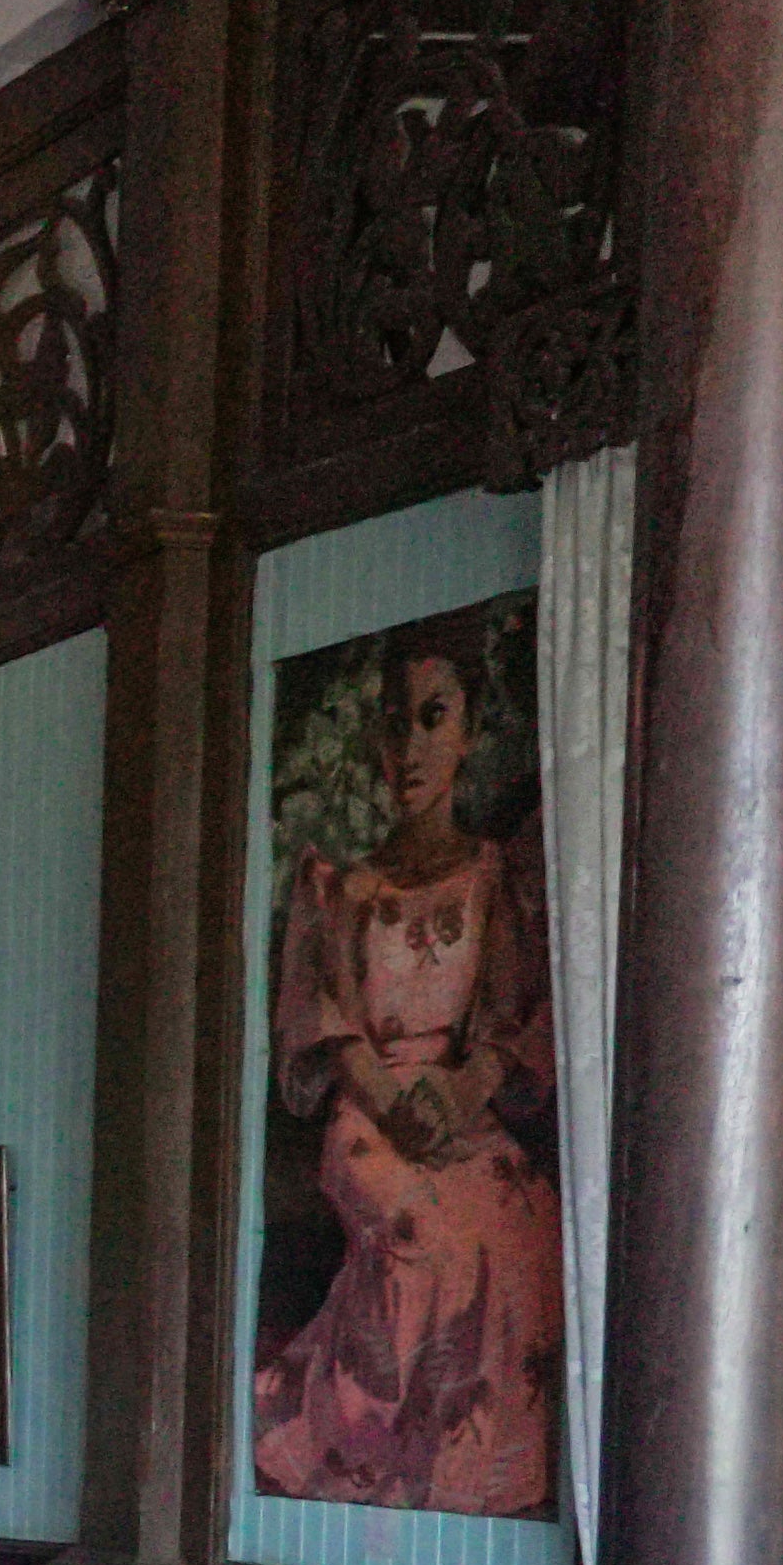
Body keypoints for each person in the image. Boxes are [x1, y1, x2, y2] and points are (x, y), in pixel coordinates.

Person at [254, 621, 560, 1514]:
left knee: (513, 1216)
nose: (412, 745)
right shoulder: (344, 888)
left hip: (457, 1107)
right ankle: (367, 1447)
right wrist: (392, 1100)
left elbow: (508, 1020)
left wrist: (462, 1091)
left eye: (434, 718)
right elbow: (332, 1026)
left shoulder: (492, 878)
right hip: (370, 1110)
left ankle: (475, 1469)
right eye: (396, 723)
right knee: (422, 1230)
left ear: (467, 732)